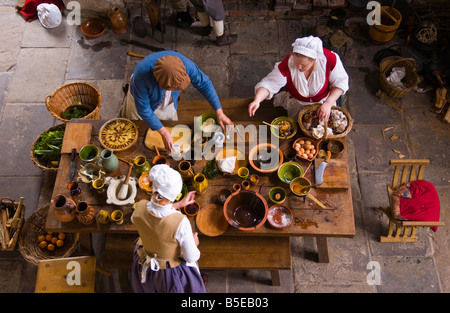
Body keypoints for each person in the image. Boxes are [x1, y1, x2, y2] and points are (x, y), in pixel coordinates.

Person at [122, 50, 234, 153]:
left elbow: (204, 83)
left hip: (166, 101)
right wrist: (163, 131)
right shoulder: (140, 76)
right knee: (135, 129)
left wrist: (219, 111)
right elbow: (144, 110)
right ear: (164, 86)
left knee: (169, 127)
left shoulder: (184, 64)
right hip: (138, 102)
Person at [131, 164, 206, 293]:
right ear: (176, 194)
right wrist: (194, 243)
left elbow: (147, 217)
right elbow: (191, 257)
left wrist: (178, 205)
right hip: (168, 273)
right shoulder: (180, 222)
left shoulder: (140, 206)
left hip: (147, 262)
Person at [248, 36, 349, 122]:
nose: (299, 68)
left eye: (303, 65)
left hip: (323, 103)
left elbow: (340, 83)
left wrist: (328, 103)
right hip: (298, 103)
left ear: (314, 59)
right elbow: (270, 84)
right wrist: (257, 100)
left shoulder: (330, 60)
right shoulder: (288, 63)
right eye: (296, 63)